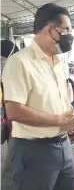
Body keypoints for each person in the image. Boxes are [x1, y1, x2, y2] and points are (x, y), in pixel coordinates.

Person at [2, 3, 74, 190]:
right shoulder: (19, 62)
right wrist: (59, 120)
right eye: (66, 30)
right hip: (34, 151)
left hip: (64, 147)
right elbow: (14, 111)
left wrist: (72, 116)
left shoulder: (59, 63)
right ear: (50, 29)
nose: (69, 35)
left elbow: (63, 100)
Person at [1, 40, 19, 190]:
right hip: (10, 124)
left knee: (11, 169)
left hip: (21, 127)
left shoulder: (19, 73)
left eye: (1, 58)